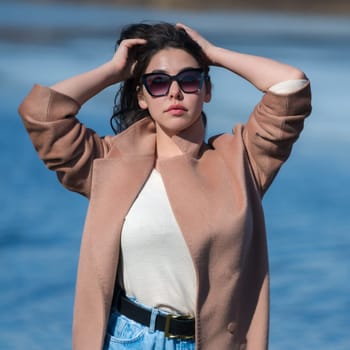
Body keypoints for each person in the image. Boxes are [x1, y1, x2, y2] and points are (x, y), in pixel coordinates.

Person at [18, 22, 312, 350]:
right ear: (141, 96)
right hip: (125, 338)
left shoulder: (241, 160)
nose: (174, 92)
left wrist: (213, 54)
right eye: (158, 83)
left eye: (189, 80)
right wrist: (115, 70)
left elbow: (290, 85)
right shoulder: (109, 162)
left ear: (207, 90)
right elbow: (41, 113)